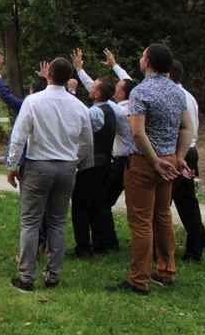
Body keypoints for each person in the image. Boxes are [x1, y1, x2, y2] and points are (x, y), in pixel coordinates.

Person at [106, 44, 193, 295]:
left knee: (141, 221)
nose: (140, 58)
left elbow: (137, 131)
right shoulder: (178, 93)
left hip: (145, 162)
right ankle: (166, 270)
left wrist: (154, 160)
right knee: (163, 215)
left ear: (149, 62)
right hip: (169, 160)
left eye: (143, 55)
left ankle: (139, 279)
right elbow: (187, 128)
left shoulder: (141, 92)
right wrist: (177, 158)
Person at [7, 58, 94, 292]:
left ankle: (26, 277)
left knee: (30, 221)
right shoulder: (78, 106)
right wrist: (75, 161)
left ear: (49, 75)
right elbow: (87, 142)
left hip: (38, 165)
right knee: (57, 221)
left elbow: (19, 136)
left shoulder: (33, 101)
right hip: (66, 167)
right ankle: (53, 275)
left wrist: (12, 165)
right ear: (68, 78)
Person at [71, 48, 129, 255]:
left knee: (79, 205)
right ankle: (101, 244)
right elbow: (95, 88)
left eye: (94, 87)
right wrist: (80, 70)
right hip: (106, 163)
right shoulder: (113, 108)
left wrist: (70, 93)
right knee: (97, 205)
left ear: (97, 93)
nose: (91, 87)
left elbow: (77, 120)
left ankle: (83, 248)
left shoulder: (95, 112)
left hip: (92, 164)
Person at [0, 54, 49, 250]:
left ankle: (37, 245)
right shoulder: (56, 105)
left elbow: (6, 95)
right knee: (49, 209)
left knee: (32, 210)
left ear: (32, 92)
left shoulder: (29, 105)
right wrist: (47, 79)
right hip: (56, 164)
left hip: (31, 164)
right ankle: (46, 244)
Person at [169, 60, 205, 261]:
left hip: (180, 152)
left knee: (163, 204)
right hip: (190, 151)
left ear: (168, 74)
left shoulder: (175, 97)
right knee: (188, 203)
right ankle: (196, 248)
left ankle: (160, 251)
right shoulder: (189, 96)